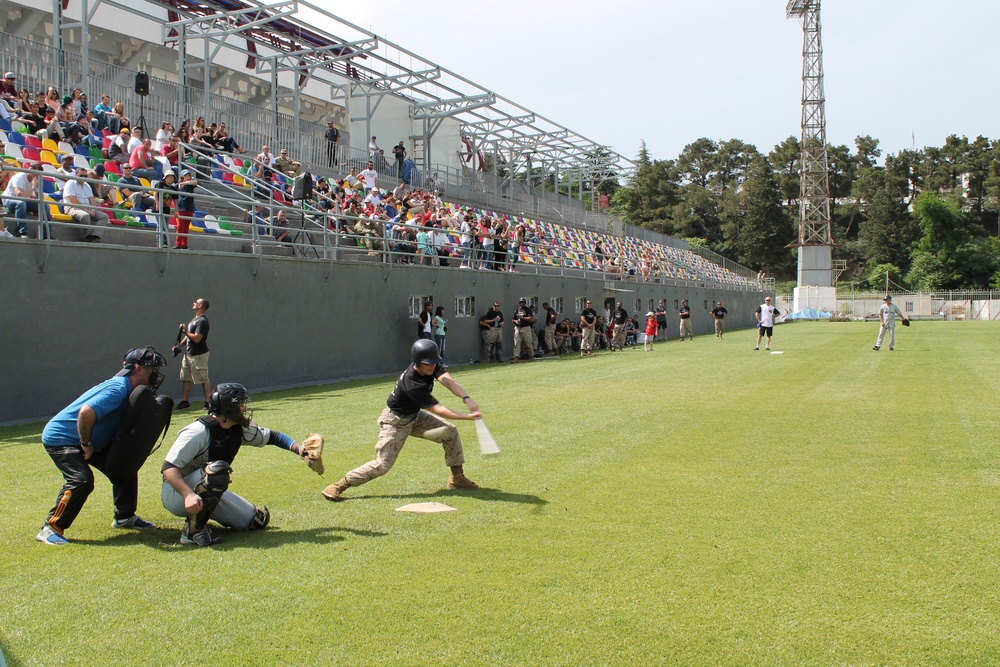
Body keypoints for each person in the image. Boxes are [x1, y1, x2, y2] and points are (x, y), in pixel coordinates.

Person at [161, 383, 321, 546]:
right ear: (229, 408)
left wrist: (300, 449)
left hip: (205, 488)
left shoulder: (238, 428)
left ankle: (204, 513)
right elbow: (168, 468)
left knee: (256, 521)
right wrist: (188, 495)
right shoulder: (197, 432)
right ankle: (192, 532)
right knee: (217, 471)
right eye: (241, 404)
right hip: (176, 494)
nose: (244, 409)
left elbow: (272, 437)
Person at [36, 347, 167, 545]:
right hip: (62, 437)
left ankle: (124, 517)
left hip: (87, 438)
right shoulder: (118, 388)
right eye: (152, 369)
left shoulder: (130, 390)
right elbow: (86, 413)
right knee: (82, 480)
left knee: (126, 464)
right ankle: (51, 527)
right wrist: (86, 444)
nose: (155, 374)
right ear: (139, 369)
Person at [321, 340, 480, 502]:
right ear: (417, 362)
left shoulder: (430, 364)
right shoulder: (412, 383)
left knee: (450, 432)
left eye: (434, 363)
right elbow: (439, 409)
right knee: (382, 465)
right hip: (395, 421)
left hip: (414, 417)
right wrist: (467, 416)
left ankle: (457, 478)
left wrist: (466, 398)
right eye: (428, 364)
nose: (432, 367)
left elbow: (447, 380)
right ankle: (339, 485)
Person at [176, 297, 211, 411]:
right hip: (188, 354)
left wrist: (185, 330)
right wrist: (179, 346)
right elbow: (188, 337)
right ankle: (185, 402)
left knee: (203, 378)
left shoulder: (203, 321)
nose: (194, 303)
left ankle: (208, 403)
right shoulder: (194, 320)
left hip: (199, 355)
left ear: (200, 306)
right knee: (186, 378)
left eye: (196, 302)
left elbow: (197, 338)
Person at [63, 166, 110, 242]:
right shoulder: (70, 183)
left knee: (104, 216)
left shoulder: (87, 185)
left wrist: (93, 210)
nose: (83, 177)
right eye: (81, 175)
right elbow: (72, 199)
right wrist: (88, 211)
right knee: (85, 216)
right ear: (76, 175)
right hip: (73, 207)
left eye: (85, 176)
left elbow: (92, 199)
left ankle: (94, 235)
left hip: (87, 209)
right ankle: (88, 237)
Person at [2, 162, 40, 237]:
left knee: (45, 206)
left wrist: (38, 187)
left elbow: (40, 199)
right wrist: (33, 187)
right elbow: (20, 195)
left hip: (23, 200)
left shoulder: (37, 179)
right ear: (30, 169)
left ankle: (44, 234)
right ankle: (21, 232)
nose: (36, 175)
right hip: (8, 199)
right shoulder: (20, 176)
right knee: (21, 203)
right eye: (35, 173)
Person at [173, 170, 197, 249]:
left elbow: (195, 182)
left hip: (189, 208)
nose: (188, 177)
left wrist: (183, 183)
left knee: (186, 227)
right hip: (181, 208)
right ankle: (178, 243)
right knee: (180, 226)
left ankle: (184, 244)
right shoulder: (177, 186)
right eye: (186, 176)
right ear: (182, 177)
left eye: (188, 176)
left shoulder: (189, 185)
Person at [512, 297, 536, 362]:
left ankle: (531, 356)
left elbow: (530, 318)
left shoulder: (527, 310)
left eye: (523, 302)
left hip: (526, 327)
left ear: (525, 303)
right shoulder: (517, 310)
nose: (522, 304)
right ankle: (516, 357)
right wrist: (515, 321)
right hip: (518, 328)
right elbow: (513, 319)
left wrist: (522, 317)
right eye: (521, 302)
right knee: (516, 342)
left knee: (528, 342)